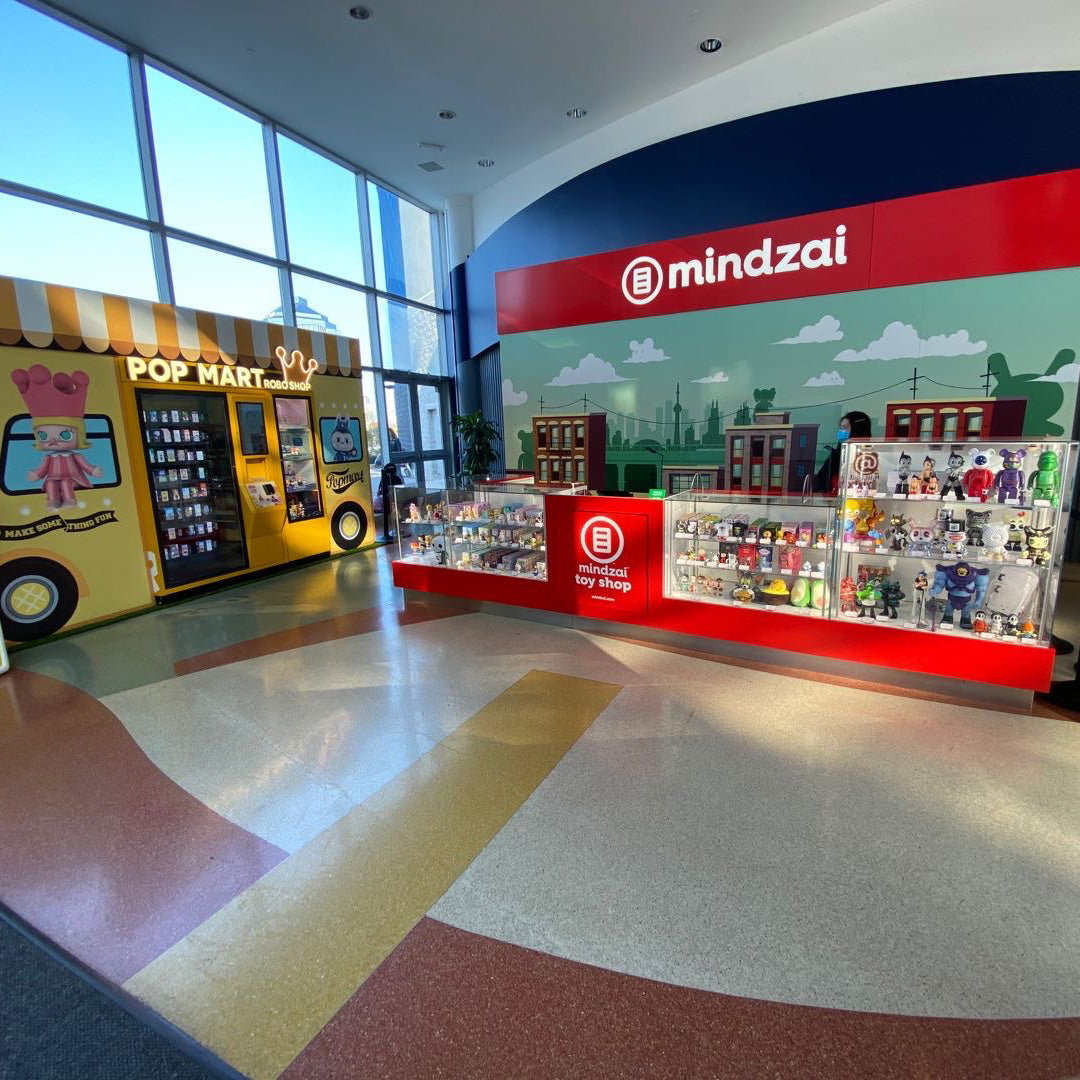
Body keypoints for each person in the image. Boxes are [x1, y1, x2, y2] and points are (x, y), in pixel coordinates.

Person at [813, 410, 872, 496]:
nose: (841, 432)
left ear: (858, 430)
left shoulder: (870, 458)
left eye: (845, 428)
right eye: (841, 428)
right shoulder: (837, 455)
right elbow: (821, 480)